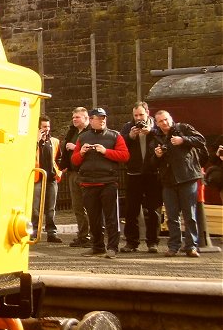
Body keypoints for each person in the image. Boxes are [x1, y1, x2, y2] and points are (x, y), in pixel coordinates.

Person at [71, 107, 129, 259]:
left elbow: (125, 156)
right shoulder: (83, 137)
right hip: (88, 183)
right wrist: (81, 153)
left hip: (108, 182)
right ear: (90, 120)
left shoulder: (114, 136)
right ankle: (97, 246)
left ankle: (112, 248)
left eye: (104, 117)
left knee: (111, 218)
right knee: (94, 218)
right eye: (98, 117)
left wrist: (106, 152)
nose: (102, 120)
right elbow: (74, 161)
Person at [147, 110, 206, 258]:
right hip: (168, 181)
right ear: (156, 123)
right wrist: (157, 155)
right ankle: (173, 246)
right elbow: (152, 163)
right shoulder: (155, 138)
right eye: (160, 121)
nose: (164, 123)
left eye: (166, 119)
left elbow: (201, 140)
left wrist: (183, 140)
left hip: (187, 177)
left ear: (171, 118)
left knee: (189, 215)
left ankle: (191, 246)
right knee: (172, 216)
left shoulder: (183, 128)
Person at [119, 102, 162, 253]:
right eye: (136, 115)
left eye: (141, 115)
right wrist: (130, 136)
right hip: (134, 173)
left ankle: (153, 242)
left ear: (148, 113)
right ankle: (131, 242)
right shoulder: (127, 127)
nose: (138, 119)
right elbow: (120, 145)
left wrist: (150, 132)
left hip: (153, 173)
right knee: (131, 209)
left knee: (153, 209)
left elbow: (165, 140)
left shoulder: (156, 125)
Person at [58, 107, 92, 247]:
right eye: (73, 117)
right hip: (73, 172)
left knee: (89, 206)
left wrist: (74, 148)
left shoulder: (91, 133)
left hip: (86, 173)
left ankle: (91, 236)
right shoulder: (72, 131)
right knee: (77, 206)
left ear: (86, 118)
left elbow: (91, 150)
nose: (74, 119)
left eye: (77, 117)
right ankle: (83, 235)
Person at [32, 115, 62, 242]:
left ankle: (51, 233)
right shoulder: (32, 141)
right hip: (37, 178)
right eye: (44, 127)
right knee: (35, 207)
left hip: (51, 178)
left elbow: (59, 158)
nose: (47, 129)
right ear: (38, 128)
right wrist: (37, 141)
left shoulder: (54, 141)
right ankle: (33, 231)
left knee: (51, 208)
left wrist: (58, 171)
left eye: (48, 126)